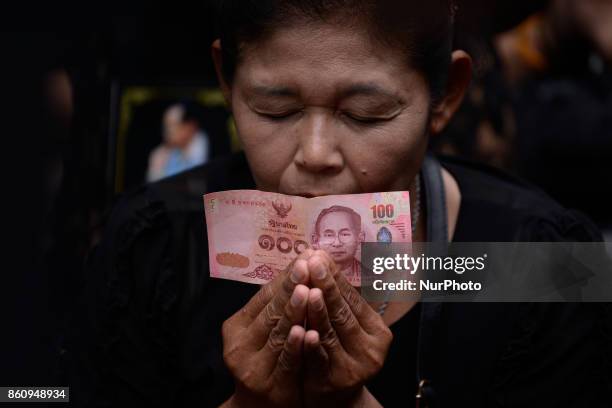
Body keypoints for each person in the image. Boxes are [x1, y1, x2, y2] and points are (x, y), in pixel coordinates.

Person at [68, 1, 611, 407]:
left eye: (367, 114)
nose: (315, 154)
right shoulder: (150, 246)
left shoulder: (543, 260)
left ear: (445, 96)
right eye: (274, 110)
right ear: (226, 81)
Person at [146, 102, 210, 182]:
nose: (167, 131)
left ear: (190, 126)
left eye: (173, 125)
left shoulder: (202, 146)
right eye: (165, 126)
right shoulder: (160, 153)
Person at [312, 206, 365, 281]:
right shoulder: (308, 276)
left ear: (360, 238)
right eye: (329, 235)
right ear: (315, 240)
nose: (337, 243)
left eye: (344, 234)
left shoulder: (374, 278)